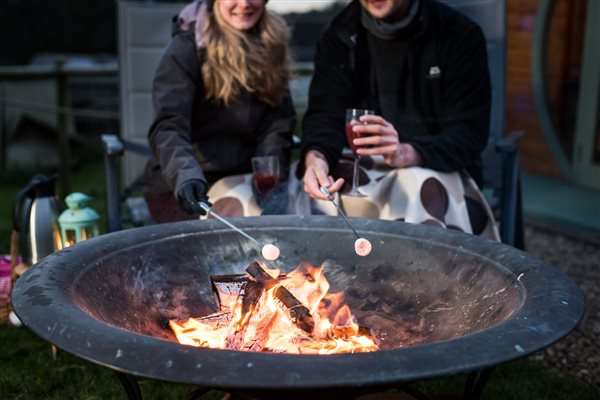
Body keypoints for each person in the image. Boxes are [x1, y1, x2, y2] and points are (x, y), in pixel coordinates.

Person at [296, 0, 500, 240]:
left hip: (437, 167)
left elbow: (468, 132)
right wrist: (316, 158)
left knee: (420, 187)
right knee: (313, 191)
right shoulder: (339, 34)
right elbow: (324, 115)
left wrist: (409, 152)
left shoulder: (458, 34)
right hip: (362, 166)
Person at [143, 0, 296, 223]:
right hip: (186, 186)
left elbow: (277, 127)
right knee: (237, 243)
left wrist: (269, 179)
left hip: (244, 178)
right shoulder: (186, 50)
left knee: (293, 216)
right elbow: (169, 126)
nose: (244, 4)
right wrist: (186, 176)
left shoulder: (273, 43)